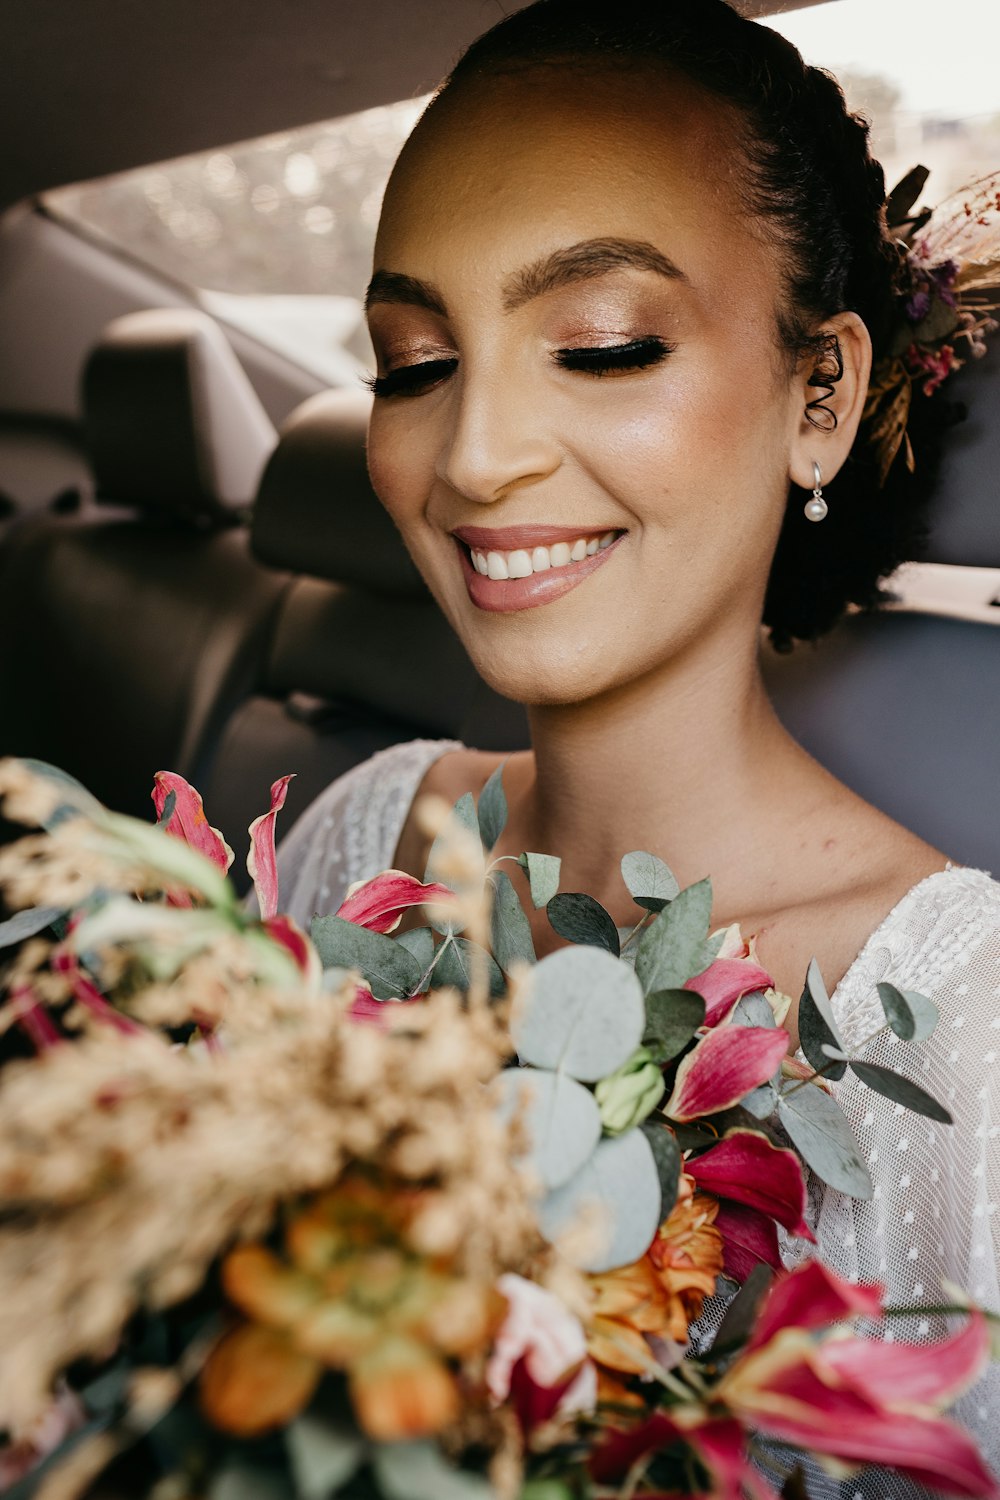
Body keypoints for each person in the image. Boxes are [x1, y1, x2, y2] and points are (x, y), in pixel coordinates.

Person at [276, 0, 1000, 1482]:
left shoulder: (963, 1042)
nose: (473, 454)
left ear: (822, 395)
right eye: (414, 362)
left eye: (601, 346)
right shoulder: (352, 839)